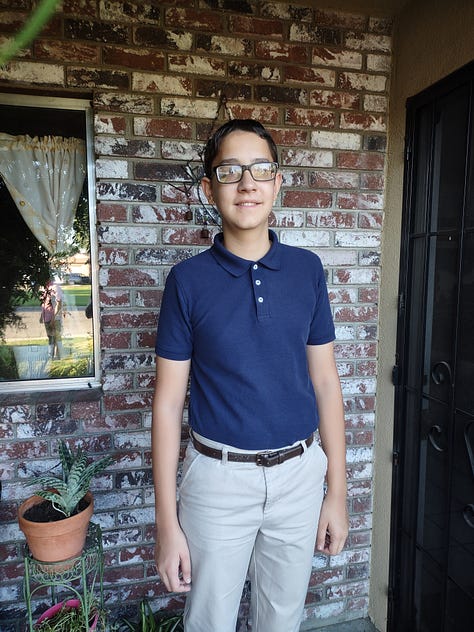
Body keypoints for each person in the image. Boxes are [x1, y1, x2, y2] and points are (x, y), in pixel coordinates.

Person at [152, 119, 348, 632]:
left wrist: (336, 493)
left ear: (278, 182)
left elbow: (326, 383)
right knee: (209, 621)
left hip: (300, 477)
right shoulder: (187, 281)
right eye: (230, 170)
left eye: (261, 169)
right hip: (217, 481)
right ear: (208, 188)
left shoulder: (308, 271)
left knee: (282, 621)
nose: (247, 183)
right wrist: (166, 524)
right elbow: (168, 405)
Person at [40, 280, 63, 359]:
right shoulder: (45, 289)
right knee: (50, 336)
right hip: (47, 317)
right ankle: (51, 354)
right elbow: (44, 303)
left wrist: (53, 319)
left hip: (55, 318)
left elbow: (58, 304)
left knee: (56, 337)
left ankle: (57, 355)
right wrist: (41, 316)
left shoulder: (55, 288)